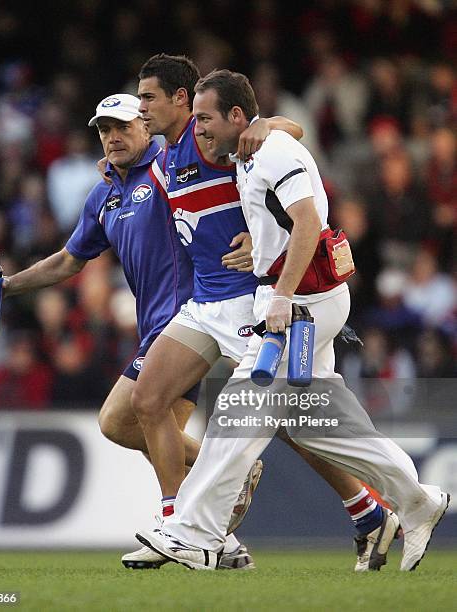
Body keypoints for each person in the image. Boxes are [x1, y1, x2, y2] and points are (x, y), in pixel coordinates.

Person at [135, 69, 450, 571]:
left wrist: (281, 295)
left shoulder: (272, 150)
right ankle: (417, 502)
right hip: (299, 295)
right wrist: (261, 251)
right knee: (318, 422)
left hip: (303, 302)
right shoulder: (248, 149)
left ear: (237, 116)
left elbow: (308, 221)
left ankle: (194, 533)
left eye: (206, 119)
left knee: (240, 408)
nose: (199, 130)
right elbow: (279, 220)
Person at [0, 92, 256, 570]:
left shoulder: (172, 166)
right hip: (156, 329)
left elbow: (237, 183)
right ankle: (216, 537)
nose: (113, 137)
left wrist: (257, 230)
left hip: (193, 319)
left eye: (122, 126)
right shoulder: (104, 194)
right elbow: (68, 261)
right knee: (144, 427)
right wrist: (6, 287)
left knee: (127, 417)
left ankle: (177, 521)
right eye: (104, 130)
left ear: (145, 127)